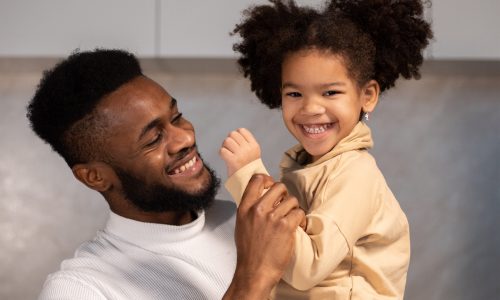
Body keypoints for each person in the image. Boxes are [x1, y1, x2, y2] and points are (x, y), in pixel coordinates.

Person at [27, 49, 305, 300]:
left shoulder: (243, 219)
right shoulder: (81, 288)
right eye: (152, 139)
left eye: (176, 117)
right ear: (94, 177)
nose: (184, 138)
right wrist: (253, 275)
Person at [219, 0, 433, 299]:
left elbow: (305, 267)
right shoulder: (304, 167)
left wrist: (248, 176)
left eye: (330, 92)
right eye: (294, 93)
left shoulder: (356, 174)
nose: (310, 108)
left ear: (367, 95)